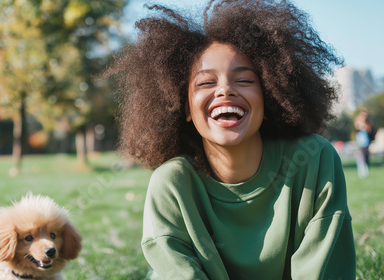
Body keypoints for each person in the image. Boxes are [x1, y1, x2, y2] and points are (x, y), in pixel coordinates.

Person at [103, 0, 356, 279]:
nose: (225, 90)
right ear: (186, 107)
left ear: (270, 95)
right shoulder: (171, 184)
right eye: (205, 83)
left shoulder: (312, 160)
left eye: (245, 80)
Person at [354, 108, 372, 178]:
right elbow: (357, 126)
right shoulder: (358, 120)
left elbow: (369, 129)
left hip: (366, 139)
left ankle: (366, 169)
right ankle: (362, 170)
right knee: (362, 155)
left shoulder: (368, 121)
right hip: (361, 139)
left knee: (366, 154)